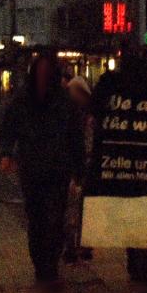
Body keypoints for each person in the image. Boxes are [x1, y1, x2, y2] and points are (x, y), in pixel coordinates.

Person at [0, 53, 84, 293]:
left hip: (58, 168)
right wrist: (5, 153)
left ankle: (50, 269)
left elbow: (74, 136)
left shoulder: (64, 102)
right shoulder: (23, 101)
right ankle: (42, 269)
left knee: (54, 220)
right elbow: (7, 129)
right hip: (32, 168)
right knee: (36, 221)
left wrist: (78, 169)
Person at [63, 75, 94, 263]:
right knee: (73, 209)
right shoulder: (73, 115)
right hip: (75, 166)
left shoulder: (88, 117)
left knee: (79, 209)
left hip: (84, 165)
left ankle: (80, 246)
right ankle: (72, 246)